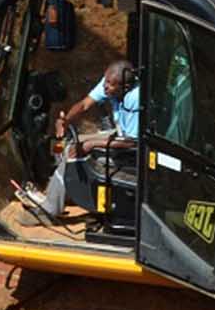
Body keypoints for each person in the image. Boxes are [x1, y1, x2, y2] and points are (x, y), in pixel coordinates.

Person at [22, 60, 140, 220]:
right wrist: (66, 121)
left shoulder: (135, 98)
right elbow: (84, 104)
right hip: (120, 134)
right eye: (105, 81)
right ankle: (63, 188)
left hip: (130, 148)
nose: (105, 87)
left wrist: (90, 145)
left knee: (72, 156)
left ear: (124, 87)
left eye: (110, 85)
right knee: (65, 144)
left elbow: (132, 142)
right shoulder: (112, 82)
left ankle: (49, 211)